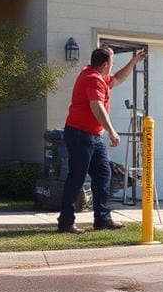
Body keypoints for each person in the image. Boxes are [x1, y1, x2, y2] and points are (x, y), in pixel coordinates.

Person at [57, 46, 146, 234]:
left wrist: (133, 62)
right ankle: (66, 223)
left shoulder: (98, 76)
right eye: (112, 63)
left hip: (92, 135)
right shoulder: (92, 79)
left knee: (103, 175)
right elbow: (97, 106)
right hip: (81, 134)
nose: (113, 66)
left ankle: (102, 219)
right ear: (105, 64)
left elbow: (117, 79)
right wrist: (112, 131)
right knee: (77, 177)